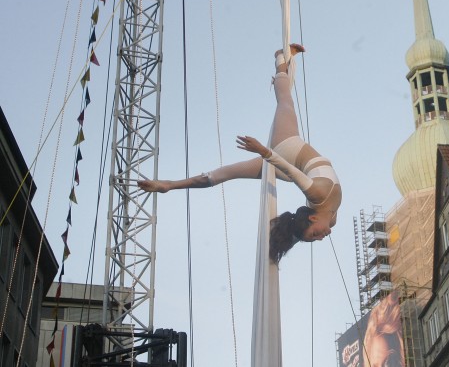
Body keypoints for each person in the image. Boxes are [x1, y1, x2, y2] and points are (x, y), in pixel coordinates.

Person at [138, 44, 341, 263]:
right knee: (284, 103)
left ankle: (168, 185)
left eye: (314, 236)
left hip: (285, 151)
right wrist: (263, 151)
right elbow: (292, 172)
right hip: (286, 158)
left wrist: (265, 151)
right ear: (312, 218)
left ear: (312, 218)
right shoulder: (328, 213)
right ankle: (282, 60)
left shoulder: (318, 201)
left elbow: (291, 172)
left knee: (284, 102)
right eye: (315, 236)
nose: (321, 237)